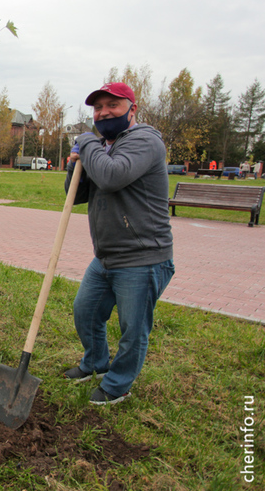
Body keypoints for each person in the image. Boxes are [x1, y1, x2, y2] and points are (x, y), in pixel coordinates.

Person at [63, 82, 174, 405]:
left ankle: (118, 384)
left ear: (132, 109)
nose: (103, 113)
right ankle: (96, 363)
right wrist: (75, 167)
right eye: (98, 108)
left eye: (112, 105)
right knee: (85, 311)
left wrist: (87, 142)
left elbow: (111, 177)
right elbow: (79, 195)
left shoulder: (145, 141)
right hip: (107, 256)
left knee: (132, 329)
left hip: (142, 257)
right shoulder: (104, 147)